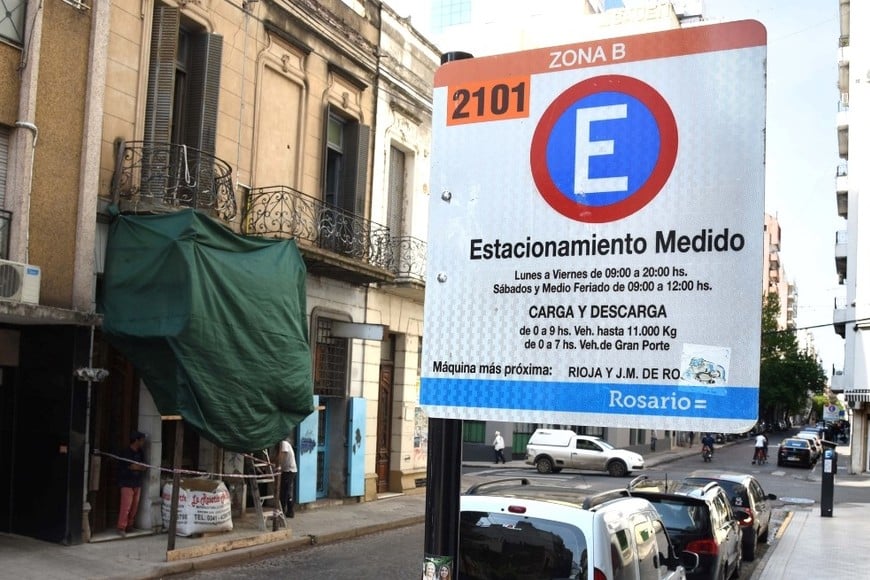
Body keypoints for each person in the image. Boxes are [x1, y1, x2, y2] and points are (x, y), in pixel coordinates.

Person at [117, 431, 147, 537]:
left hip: (137, 482)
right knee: (126, 506)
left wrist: (137, 467)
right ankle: (121, 527)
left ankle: (130, 525)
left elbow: (144, 466)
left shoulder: (141, 452)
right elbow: (130, 466)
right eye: (142, 440)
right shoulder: (126, 453)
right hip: (126, 482)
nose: (143, 443)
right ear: (136, 440)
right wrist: (137, 467)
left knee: (134, 507)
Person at [275, 436, 298, 518]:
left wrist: (277, 466)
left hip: (289, 471)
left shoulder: (284, 443)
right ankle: (289, 511)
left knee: (285, 492)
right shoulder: (283, 444)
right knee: (286, 492)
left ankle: (283, 512)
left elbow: (282, 456)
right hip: (287, 470)